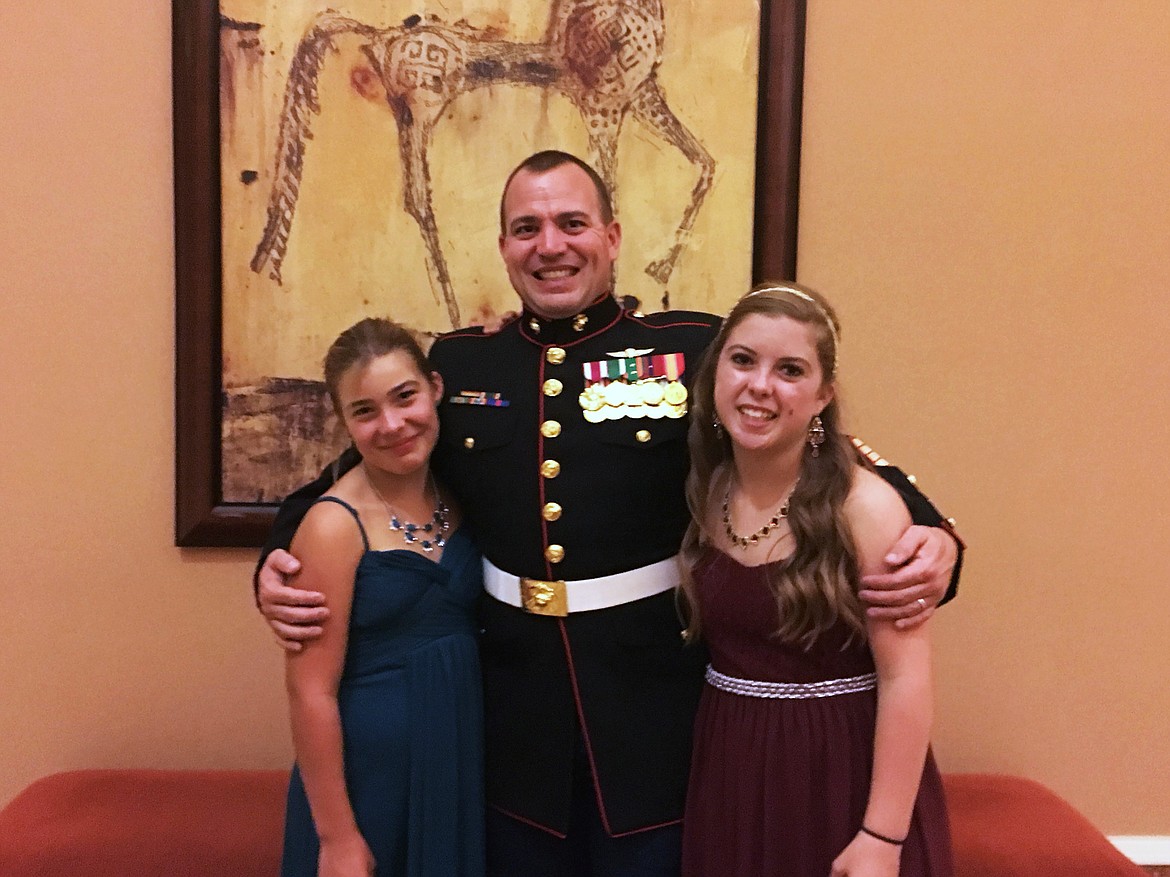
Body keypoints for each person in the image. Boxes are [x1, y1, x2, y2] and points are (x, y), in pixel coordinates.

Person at [257, 151, 962, 877]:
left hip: (655, 714)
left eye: (572, 223)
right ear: (504, 247)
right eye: (526, 228)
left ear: (613, 236)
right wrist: (281, 547)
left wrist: (934, 529)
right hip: (513, 718)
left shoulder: (691, 348)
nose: (550, 245)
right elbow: (371, 458)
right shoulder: (465, 363)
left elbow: (815, 441)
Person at [678, 283, 952, 876]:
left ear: (824, 394)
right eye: (743, 359)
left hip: (836, 771)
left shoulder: (867, 510)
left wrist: (883, 836)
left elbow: (906, 679)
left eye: (791, 370)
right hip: (730, 766)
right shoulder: (708, 486)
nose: (759, 386)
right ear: (716, 369)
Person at [278, 318, 484, 877]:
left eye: (404, 397)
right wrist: (338, 837)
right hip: (370, 784)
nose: (392, 424)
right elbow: (309, 691)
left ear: (435, 389)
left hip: (458, 762)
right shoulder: (331, 525)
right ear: (343, 421)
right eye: (364, 411)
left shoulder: (462, 489)